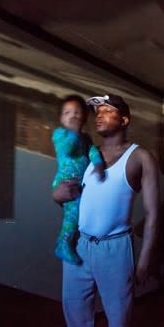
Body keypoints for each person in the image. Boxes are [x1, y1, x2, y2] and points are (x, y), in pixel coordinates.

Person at [52, 94, 159, 327]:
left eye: (107, 111)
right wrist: (55, 195)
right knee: (76, 316)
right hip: (79, 247)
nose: (98, 116)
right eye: (96, 111)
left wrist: (145, 259)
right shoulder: (87, 152)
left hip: (115, 249)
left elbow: (154, 213)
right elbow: (65, 192)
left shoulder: (139, 158)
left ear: (124, 120)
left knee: (119, 318)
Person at [51, 95, 105, 265]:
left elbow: (92, 151)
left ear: (84, 118)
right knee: (73, 214)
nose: (72, 116)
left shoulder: (86, 139)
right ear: (61, 118)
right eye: (67, 113)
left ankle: (69, 241)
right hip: (66, 182)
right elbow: (66, 150)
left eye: (77, 113)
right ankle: (63, 243)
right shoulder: (60, 134)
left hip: (79, 184)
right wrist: (73, 132)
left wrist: (98, 164)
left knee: (79, 212)